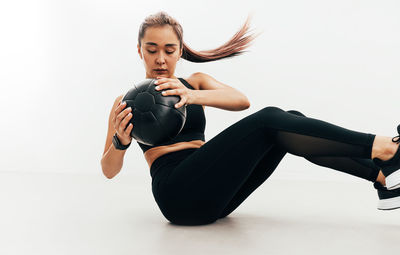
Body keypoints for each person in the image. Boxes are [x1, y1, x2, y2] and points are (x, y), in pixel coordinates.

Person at [101, 11, 400, 226]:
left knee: (287, 123)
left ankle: (382, 177)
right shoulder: (125, 102)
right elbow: (109, 170)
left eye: (169, 50)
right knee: (270, 119)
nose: (160, 59)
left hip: (216, 196)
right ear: (140, 51)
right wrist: (121, 141)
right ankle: (387, 149)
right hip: (177, 195)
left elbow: (241, 101)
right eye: (151, 50)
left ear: (181, 52)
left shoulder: (195, 82)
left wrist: (193, 96)